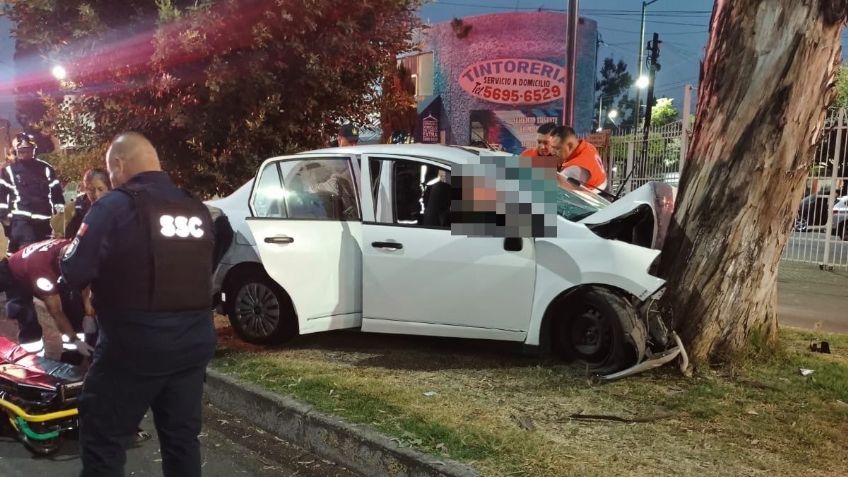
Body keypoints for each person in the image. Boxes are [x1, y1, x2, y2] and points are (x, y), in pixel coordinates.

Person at [61, 132, 218, 477]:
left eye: (111, 171)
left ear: (118, 164)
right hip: (193, 344)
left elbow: (75, 269)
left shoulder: (113, 206)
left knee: (103, 437)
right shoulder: (195, 207)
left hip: (134, 346)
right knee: (182, 440)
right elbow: (214, 249)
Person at [0, 238, 93, 357]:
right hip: (15, 273)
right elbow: (55, 311)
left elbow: (86, 283)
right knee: (24, 312)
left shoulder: (73, 248)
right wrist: (75, 340)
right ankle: (32, 352)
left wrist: (89, 314)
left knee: (72, 303)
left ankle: (71, 347)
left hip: (34, 262)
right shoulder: (43, 271)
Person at [0, 132, 65, 256]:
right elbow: (2, 194)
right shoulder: (8, 171)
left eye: (28, 150)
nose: (25, 153)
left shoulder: (46, 169)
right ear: (16, 151)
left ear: (34, 149)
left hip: (45, 220)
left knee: (45, 252)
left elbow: (56, 191)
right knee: (27, 252)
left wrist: (60, 208)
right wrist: (4, 216)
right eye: (22, 150)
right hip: (22, 219)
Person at [550, 126, 608, 190]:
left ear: (570, 146)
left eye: (557, 148)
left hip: (595, 197)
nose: (552, 152)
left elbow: (553, 190)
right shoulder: (587, 146)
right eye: (552, 147)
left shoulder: (575, 168)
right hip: (602, 186)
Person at [65, 169, 111, 239]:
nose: (96, 194)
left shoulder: (116, 208)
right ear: (86, 189)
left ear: (108, 189)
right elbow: (64, 236)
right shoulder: (78, 207)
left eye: (100, 189)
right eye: (91, 189)